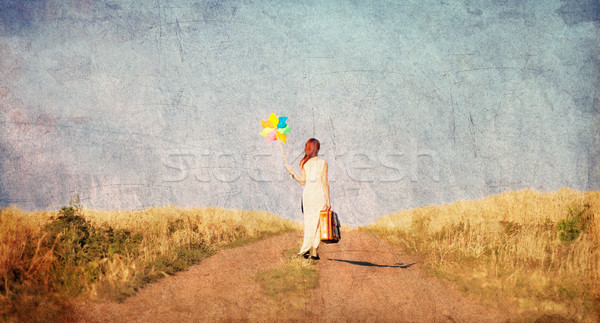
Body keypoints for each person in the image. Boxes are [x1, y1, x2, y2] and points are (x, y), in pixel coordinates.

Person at [287, 138, 331, 260]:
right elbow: (325, 183)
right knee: (317, 224)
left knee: (309, 223)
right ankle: (313, 252)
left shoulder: (304, 163)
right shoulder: (323, 163)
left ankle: (306, 250)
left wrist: (292, 173)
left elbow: (302, 182)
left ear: (308, 148)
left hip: (308, 196)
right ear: (317, 148)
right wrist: (328, 201)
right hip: (320, 196)